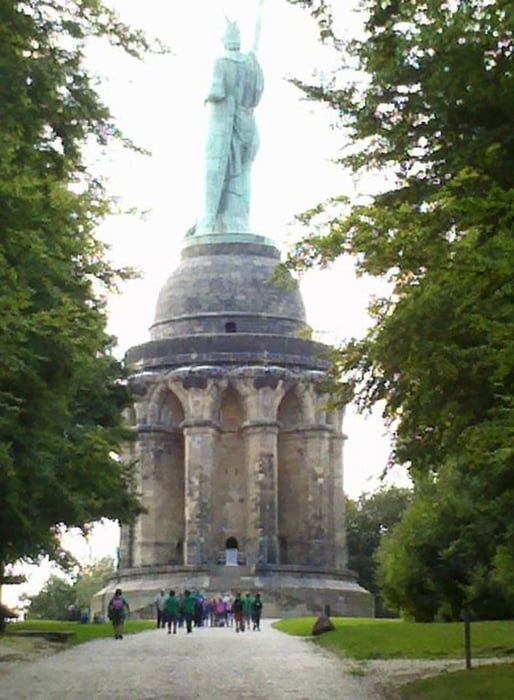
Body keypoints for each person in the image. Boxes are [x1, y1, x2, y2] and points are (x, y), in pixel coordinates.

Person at [199, 19, 264, 235]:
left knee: (222, 169)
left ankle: (215, 219)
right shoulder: (251, 63)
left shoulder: (221, 62)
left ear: (225, 39)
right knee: (242, 172)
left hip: (229, 122)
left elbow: (216, 92)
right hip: (249, 125)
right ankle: (237, 218)